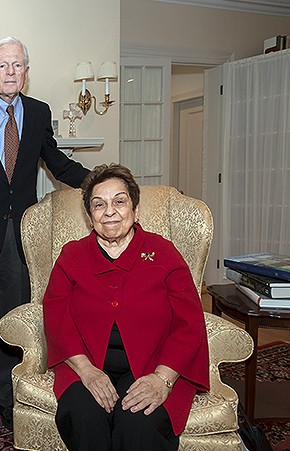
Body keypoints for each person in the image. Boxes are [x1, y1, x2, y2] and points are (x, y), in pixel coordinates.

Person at [0, 36, 90, 427]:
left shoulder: (40, 113)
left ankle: (8, 401)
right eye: (3, 65)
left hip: (22, 239)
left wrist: (97, 179)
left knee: (15, 322)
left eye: (17, 65)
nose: (10, 72)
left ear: (26, 73)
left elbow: (56, 163)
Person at [43, 163, 210, 450]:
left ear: (135, 210)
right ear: (89, 215)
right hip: (87, 365)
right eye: (99, 204)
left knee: (138, 422)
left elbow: (190, 323)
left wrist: (162, 380)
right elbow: (55, 318)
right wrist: (87, 371)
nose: (109, 211)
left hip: (154, 365)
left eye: (119, 202)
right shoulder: (72, 256)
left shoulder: (164, 254)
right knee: (84, 416)